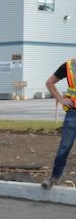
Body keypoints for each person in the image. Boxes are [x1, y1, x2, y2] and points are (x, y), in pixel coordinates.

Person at [42, 58, 76, 189]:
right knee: (65, 146)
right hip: (73, 113)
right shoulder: (69, 66)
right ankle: (54, 177)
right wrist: (61, 99)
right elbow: (50, 82)